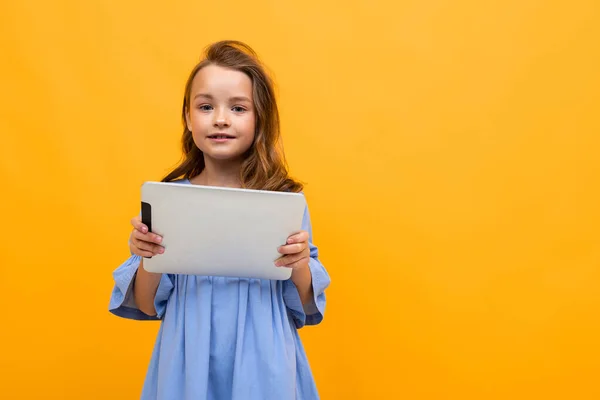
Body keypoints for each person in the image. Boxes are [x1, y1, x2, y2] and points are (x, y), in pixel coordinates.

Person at [108, 40, 330, 400]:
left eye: (238, 108)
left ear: (259, 118)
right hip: (186, 354)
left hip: (265, 356)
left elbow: (306, 304)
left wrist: (301, 263)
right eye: (206, 106)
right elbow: (147, 305)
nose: (220, 119)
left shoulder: (283, 200)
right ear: (187, 117)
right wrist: (149, 255)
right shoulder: (168, 199)